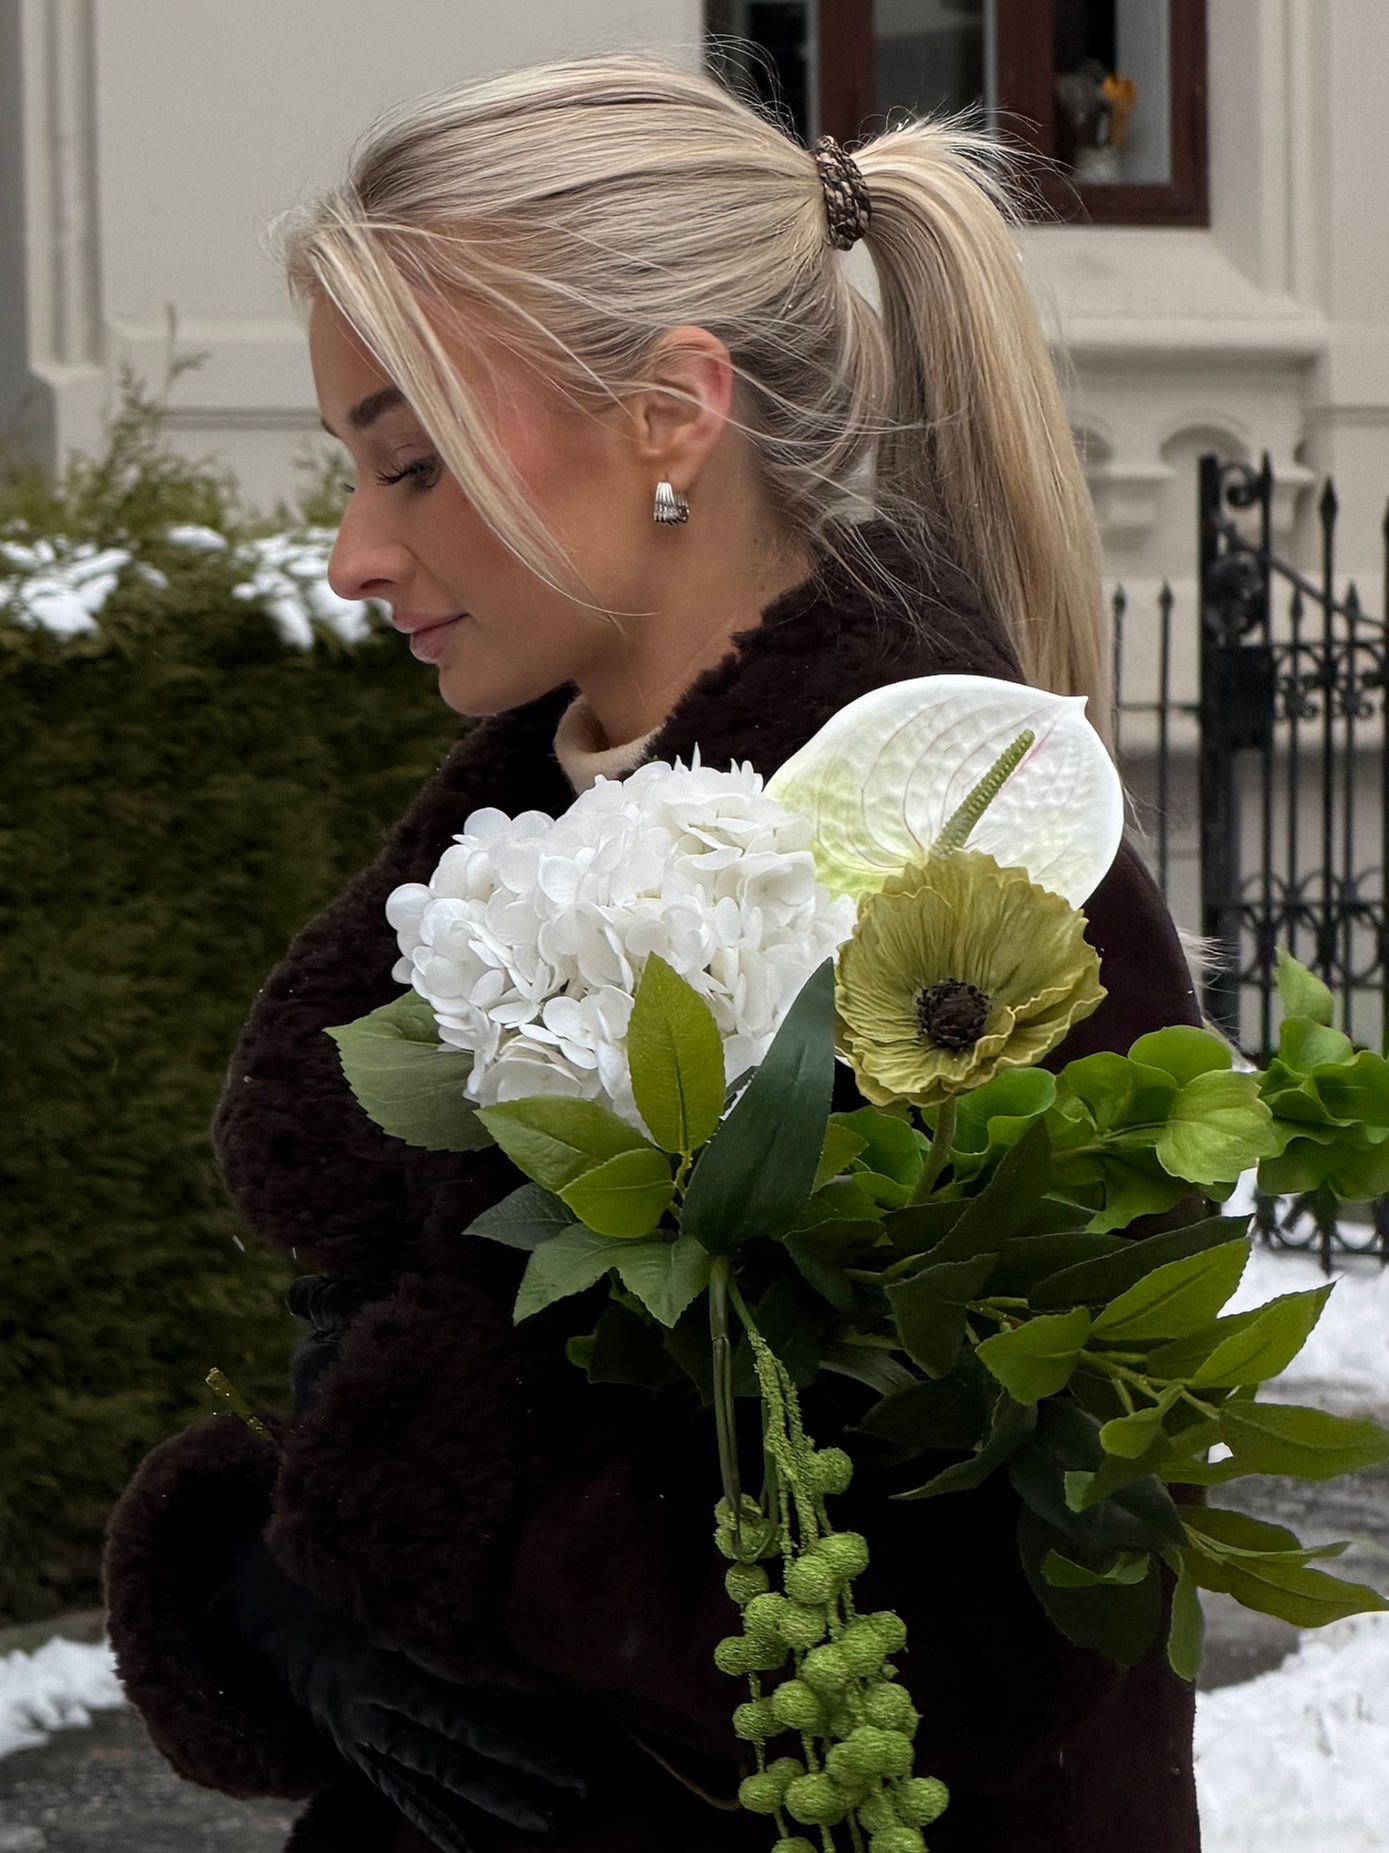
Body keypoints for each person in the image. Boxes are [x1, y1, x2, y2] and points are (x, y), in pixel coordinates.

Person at [102, 50, 1203, 1853]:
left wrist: (399, 1512)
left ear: (672, 412)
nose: (351, 551)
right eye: (351, 465)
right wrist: (275, 1606)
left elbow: (993, 1639)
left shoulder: (974, 870)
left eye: (412, 459)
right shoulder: (524, 819)